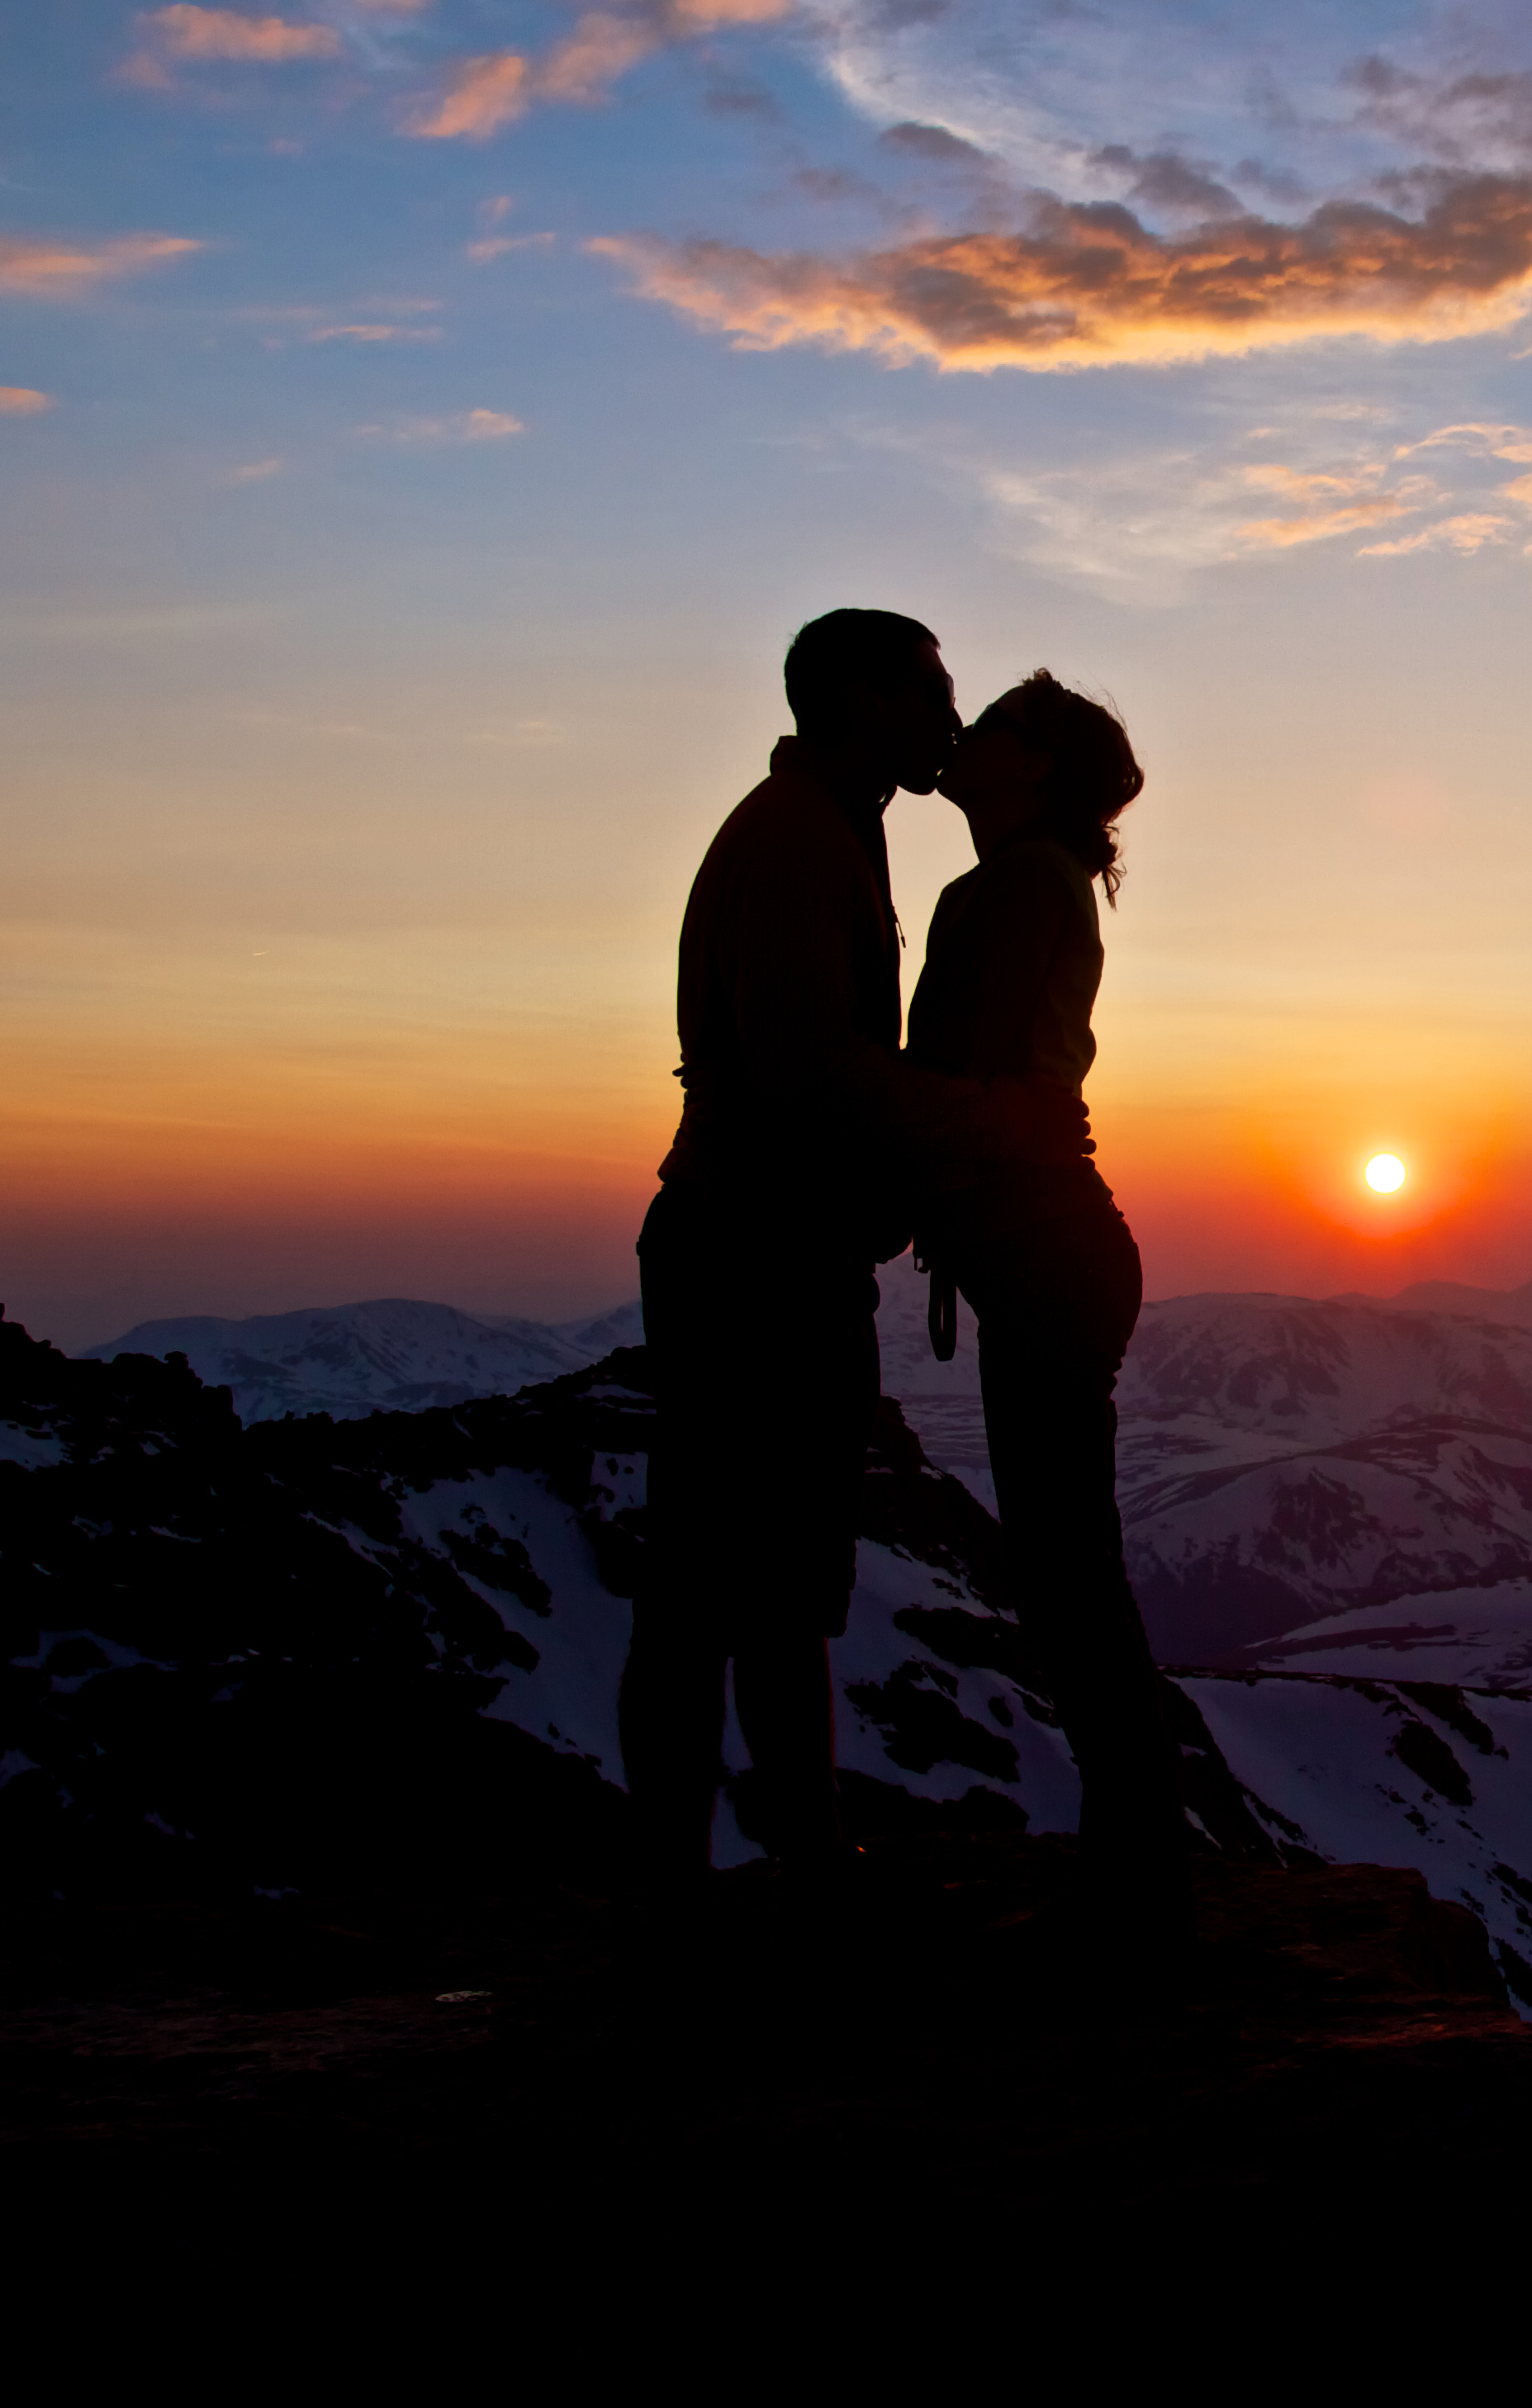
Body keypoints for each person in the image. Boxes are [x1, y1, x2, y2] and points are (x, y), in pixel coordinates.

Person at [626, 610, 1073, 1882]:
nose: (951, 717)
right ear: (865, 702)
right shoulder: (793, 845)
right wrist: (994, 1120)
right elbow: (806, 1074)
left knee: (760, 1582)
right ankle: (708, 1872)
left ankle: (786, 1858)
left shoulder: (833, 830)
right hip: (751, 1254)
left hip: (777, 1249)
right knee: (718, 1583)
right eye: (933, 694)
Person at [904, 671, 1187, 1923]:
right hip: (1050, 1249)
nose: (969, 737)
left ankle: (1137, 1846)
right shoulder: (1036, 883)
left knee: (1065, 1568)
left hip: (1041, 1244)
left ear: (1033, 768)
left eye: (998, 726)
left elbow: (951, 1074)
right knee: (1069, 1561)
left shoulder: (1016, 886)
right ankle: (1134, 1838)